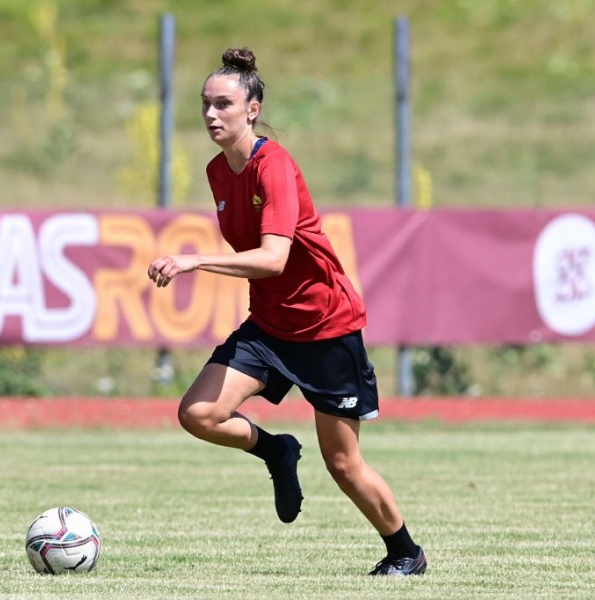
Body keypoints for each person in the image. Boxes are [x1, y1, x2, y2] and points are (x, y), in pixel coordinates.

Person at [147, 47, 426, 577]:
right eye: (205, 104)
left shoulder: (274, 165)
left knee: (343, 465)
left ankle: (405, 552)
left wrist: (192, 260)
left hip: (325, 328)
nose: (211, 114)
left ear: (252, 108)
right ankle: (276, 451)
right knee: (197, 413)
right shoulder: (217, 170)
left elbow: (274, 259)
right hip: (270, 328)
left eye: (223, 104)